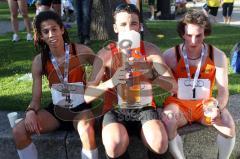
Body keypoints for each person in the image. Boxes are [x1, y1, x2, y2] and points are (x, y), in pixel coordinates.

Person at [84, 3, 177, 159]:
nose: (128, 29)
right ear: (115, 28)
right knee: (114, 145)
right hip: (115, 110)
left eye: (133, 23)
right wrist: (112, 81)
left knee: (160, 143)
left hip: (144, 108)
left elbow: (173, 86)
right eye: (123, 24)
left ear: (139, 26)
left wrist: (151, 73)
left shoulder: (150, 50)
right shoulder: (106, 54)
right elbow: (87, 95)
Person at [12, 11, 98, 159]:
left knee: (86, 129)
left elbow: (102, 65)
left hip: (81, 109)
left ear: (62, 30)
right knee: (18, 131)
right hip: (57, 111)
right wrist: (31, 112)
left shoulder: (80, 51)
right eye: (46, 31)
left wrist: (97, 84)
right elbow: (36, 99)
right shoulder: (39, 61)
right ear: (41, 36)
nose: (51, 34)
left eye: (54, 29)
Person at [162, 9, 235, 159]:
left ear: (205, 33)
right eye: (189, 35)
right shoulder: (170, 55)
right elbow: (159, 82)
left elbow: (223, 91)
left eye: (199, 35)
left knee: (228, 123)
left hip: (205, 104)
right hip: (179, 104)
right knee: (169, 120)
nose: (193, 41)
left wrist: (217, 108)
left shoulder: (217, 56)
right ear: (182, 33)